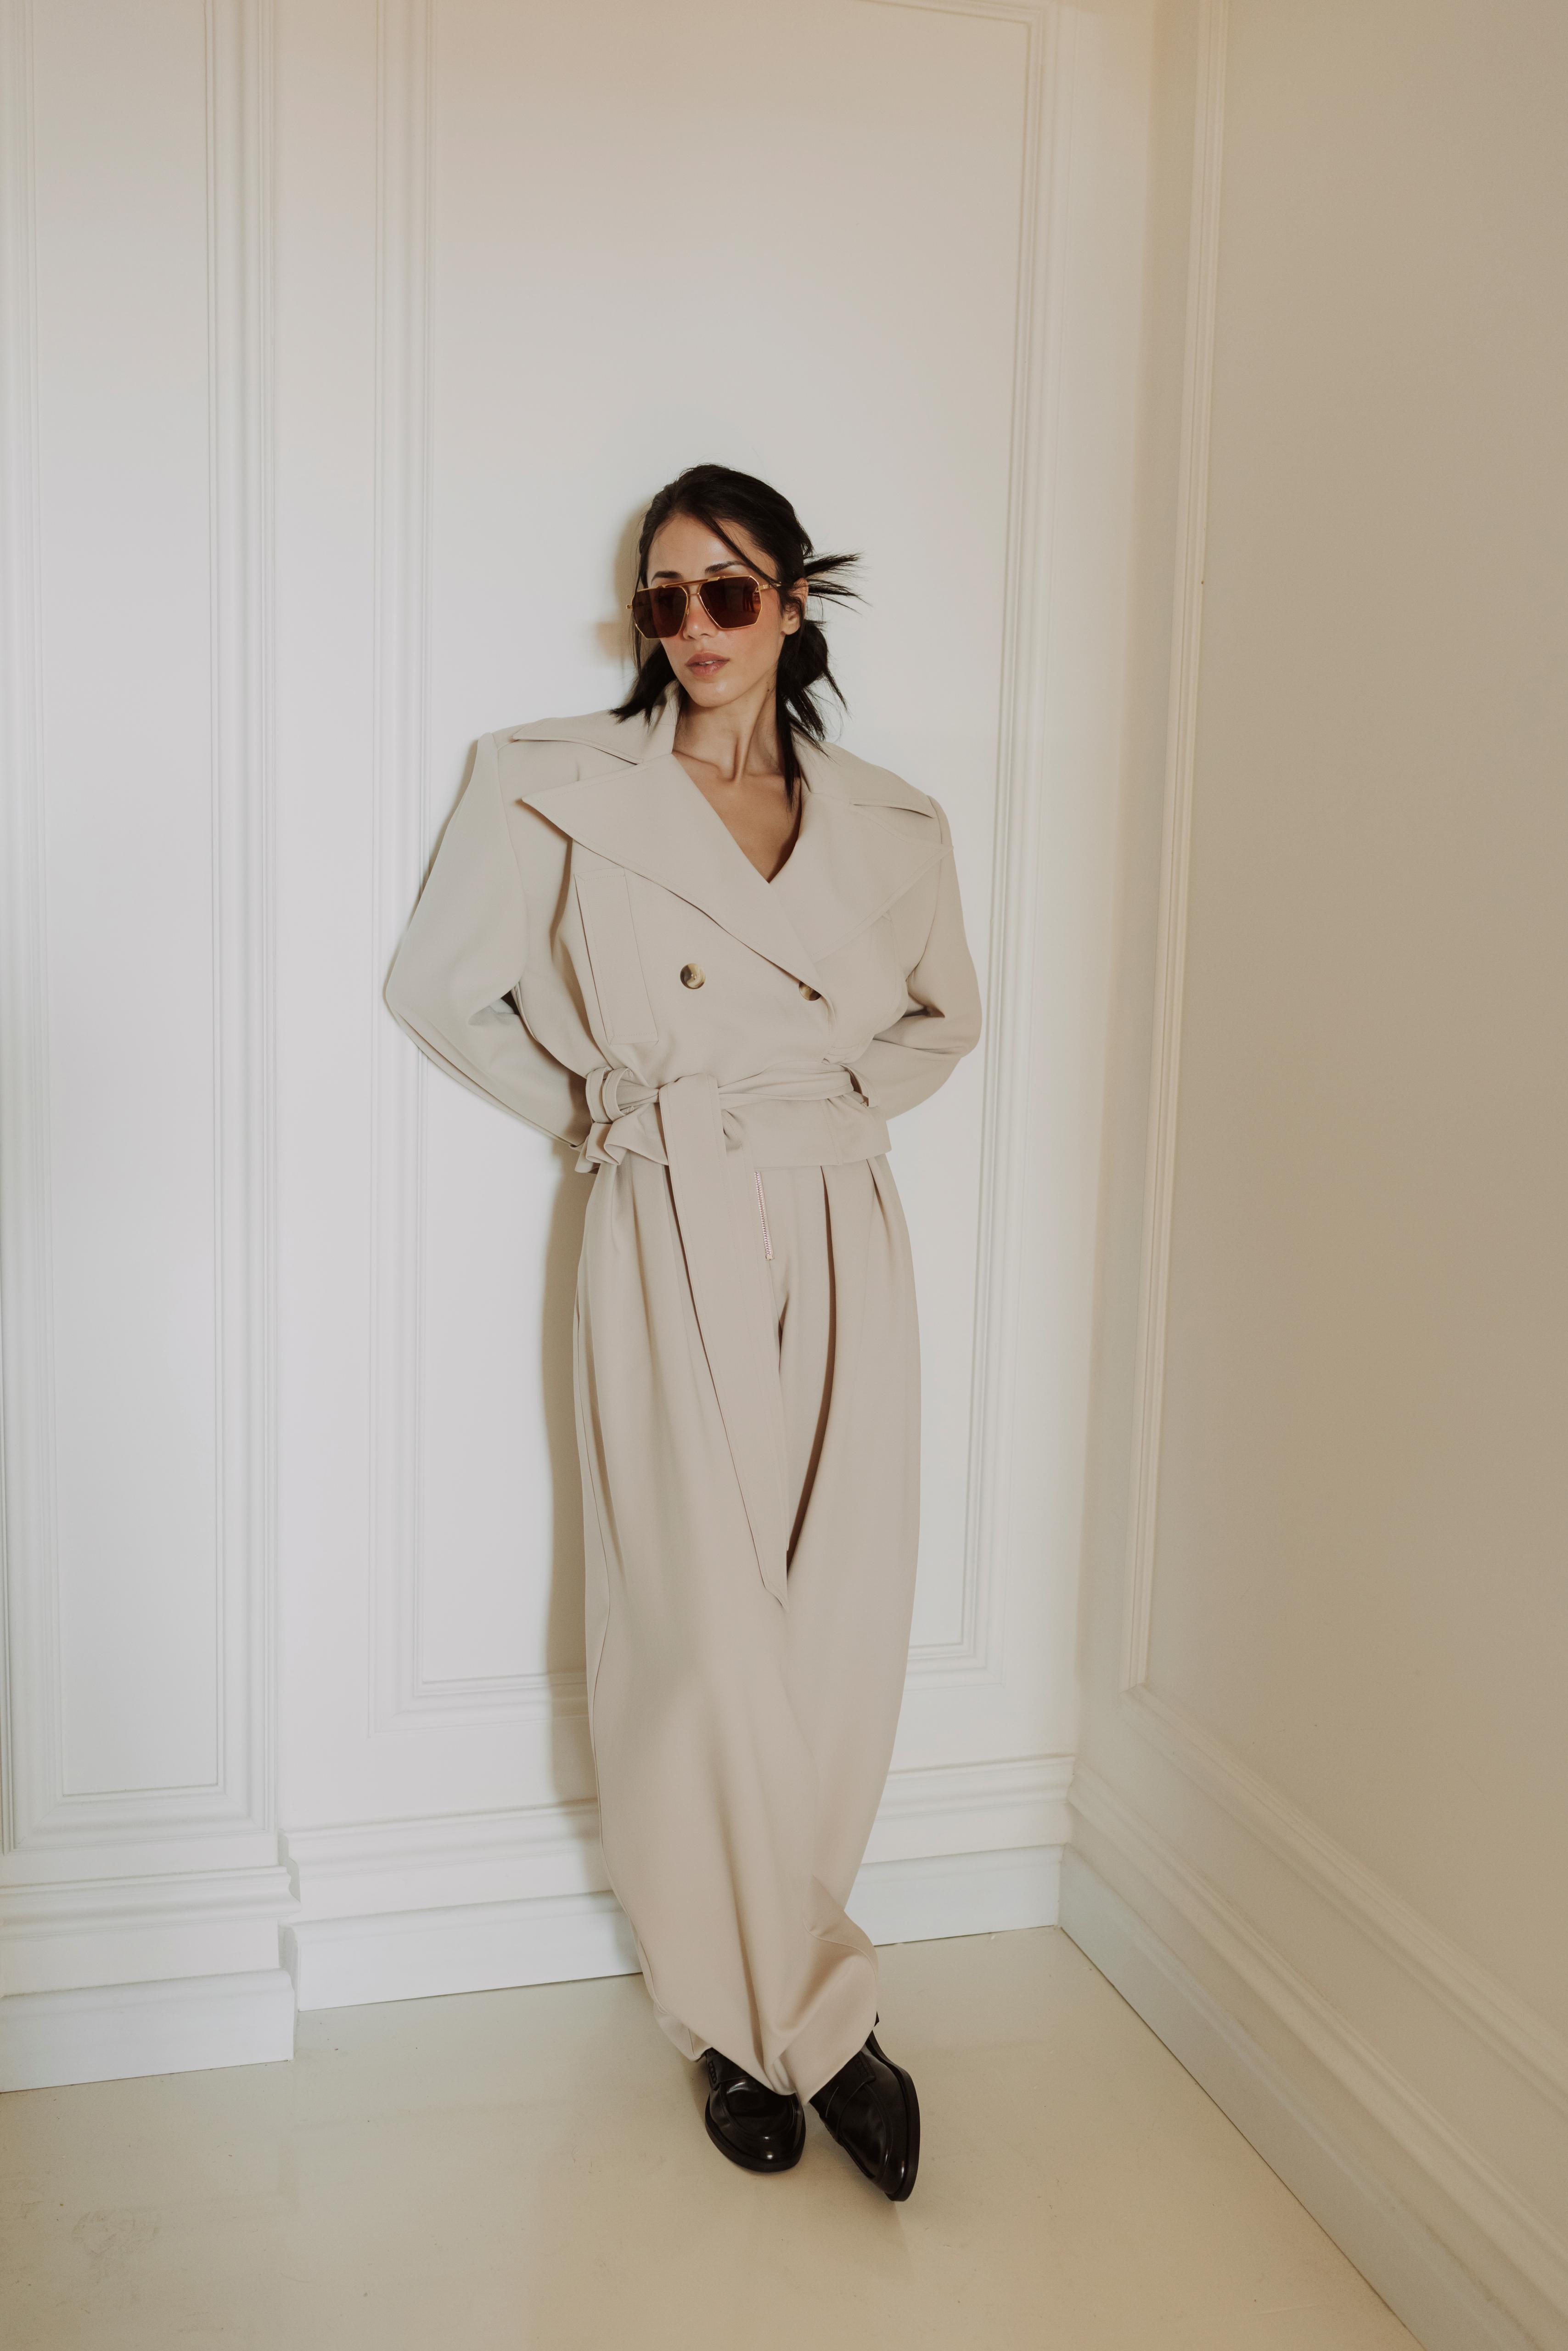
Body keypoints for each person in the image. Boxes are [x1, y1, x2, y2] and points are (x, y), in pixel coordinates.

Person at [386, 463, 981, 2200]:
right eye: (666, 597)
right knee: (699, 1630)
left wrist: (827, 1108)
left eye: (730, 590)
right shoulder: (554, 787)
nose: (697, 626)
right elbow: (439, 989)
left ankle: (795, 1997)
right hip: (666, 1206)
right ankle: (765, 2020)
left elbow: (948, 1019)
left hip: (840, 1209)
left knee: (837, 1618)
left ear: (794, 602)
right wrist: (608, 1113)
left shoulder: (896, 822)